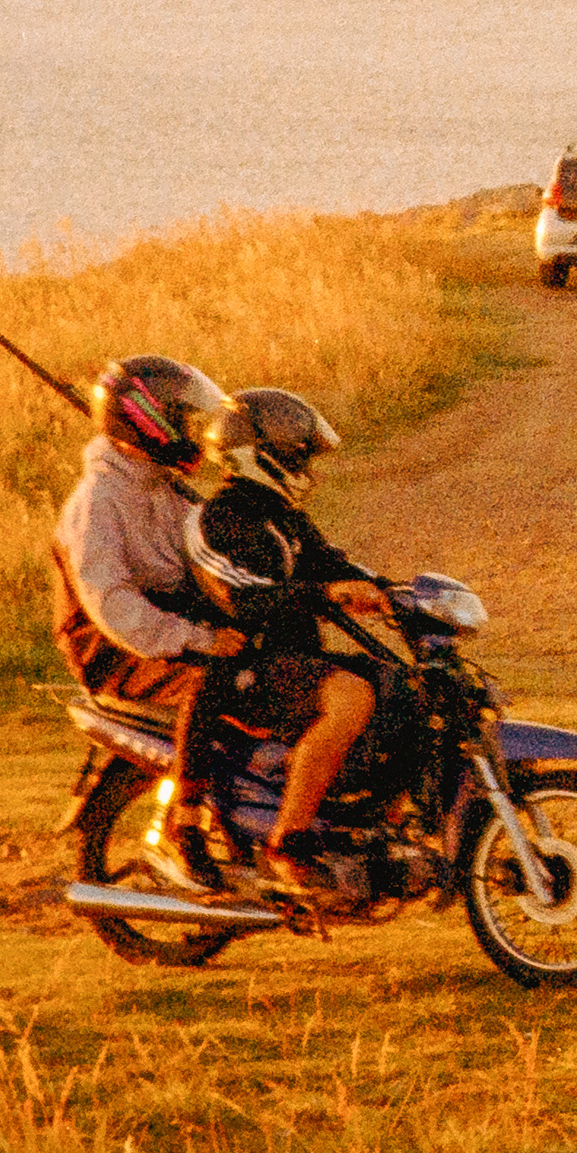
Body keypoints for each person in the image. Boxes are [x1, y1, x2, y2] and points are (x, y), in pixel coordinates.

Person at [50, 353, 254, 889]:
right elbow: (112, 604)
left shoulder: (162, 486)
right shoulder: (97, 501)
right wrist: (199, 640)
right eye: (183, 419)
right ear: (147, 420)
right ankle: (186, 824)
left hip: (166, 626)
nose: (193, 429)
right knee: (212, 681)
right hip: (115, 647)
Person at [190, 388, 391, 896]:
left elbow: (330, 562)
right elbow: (246, 601)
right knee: (352, 696)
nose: (304, 465)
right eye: (297, 454)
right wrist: (327, 593)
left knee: (398, 686)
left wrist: (393, 591)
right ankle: (288, 840)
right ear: (261, 455)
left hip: (295, 660)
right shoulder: (220, 518)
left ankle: (369, 829)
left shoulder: (282, 514)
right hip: (248, 663)